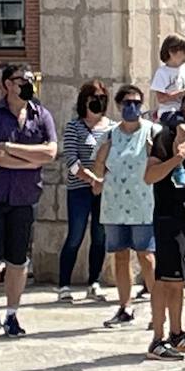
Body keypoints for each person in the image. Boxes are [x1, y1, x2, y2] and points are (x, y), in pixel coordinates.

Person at [0, 63, 56, 337]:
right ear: (9, 84)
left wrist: (10, 149)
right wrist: (29, 161)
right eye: (23, 79)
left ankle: (12, 313)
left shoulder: (41, 115)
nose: (28, 83)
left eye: (30, 78)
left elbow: (50, 153)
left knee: (17, 259)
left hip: (25, 197)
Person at [144, 89, 185, 360]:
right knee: (164, 280)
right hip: (168, 215)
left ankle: (177, 333)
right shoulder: (167, 136)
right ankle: (157, 339)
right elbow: (150, 175)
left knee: (178, 281)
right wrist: (176, 159)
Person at [94, 83, 158, 330]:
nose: (132, 108)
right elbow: (99, 170)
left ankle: (156, 307)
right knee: (120, 256)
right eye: (127, 103)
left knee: (146, 256)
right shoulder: (109, 134)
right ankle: (125, 306)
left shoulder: (152, 131)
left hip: (143, 204)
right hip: (114, 205)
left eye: (136, 103)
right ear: (119, 106)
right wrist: (100, 159)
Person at [56, 80, 111, 303]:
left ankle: (94, 282)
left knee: (100, 237)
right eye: (93, 97)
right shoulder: (74, 126)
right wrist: (91, 179)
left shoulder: (111, 127)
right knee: (75, 236)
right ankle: (64, 285)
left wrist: (102, 181)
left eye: (102, 97)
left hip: (104, 190)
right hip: (79, 189)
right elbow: (70, 160)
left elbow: (115, 158)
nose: (97, 101)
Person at [150, 33, 185, 119]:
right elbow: (161, 99)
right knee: (183, 128)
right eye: (184, 53)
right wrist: (182, 92)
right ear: (171, 52)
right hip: (169, 111)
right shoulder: (162, 73)